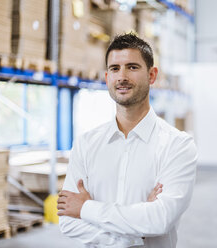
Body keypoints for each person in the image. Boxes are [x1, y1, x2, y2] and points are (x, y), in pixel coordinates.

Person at [57, 33, 198, 248]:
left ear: (152, 75)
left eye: (132, 67)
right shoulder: (86, 144)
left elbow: (160, 219)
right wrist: (135, 236)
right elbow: (68, 220)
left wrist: (86, 208)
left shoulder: (177, 145)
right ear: (107, 78)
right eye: (115, 69)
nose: (122, 76)